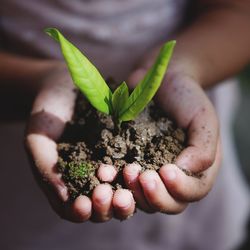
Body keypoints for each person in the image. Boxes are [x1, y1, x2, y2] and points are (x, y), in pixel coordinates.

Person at [0, 0, 249, 249]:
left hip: (198, 226)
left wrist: (181, 68)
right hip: (28, 208)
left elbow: (239, 12)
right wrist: (38, 81)